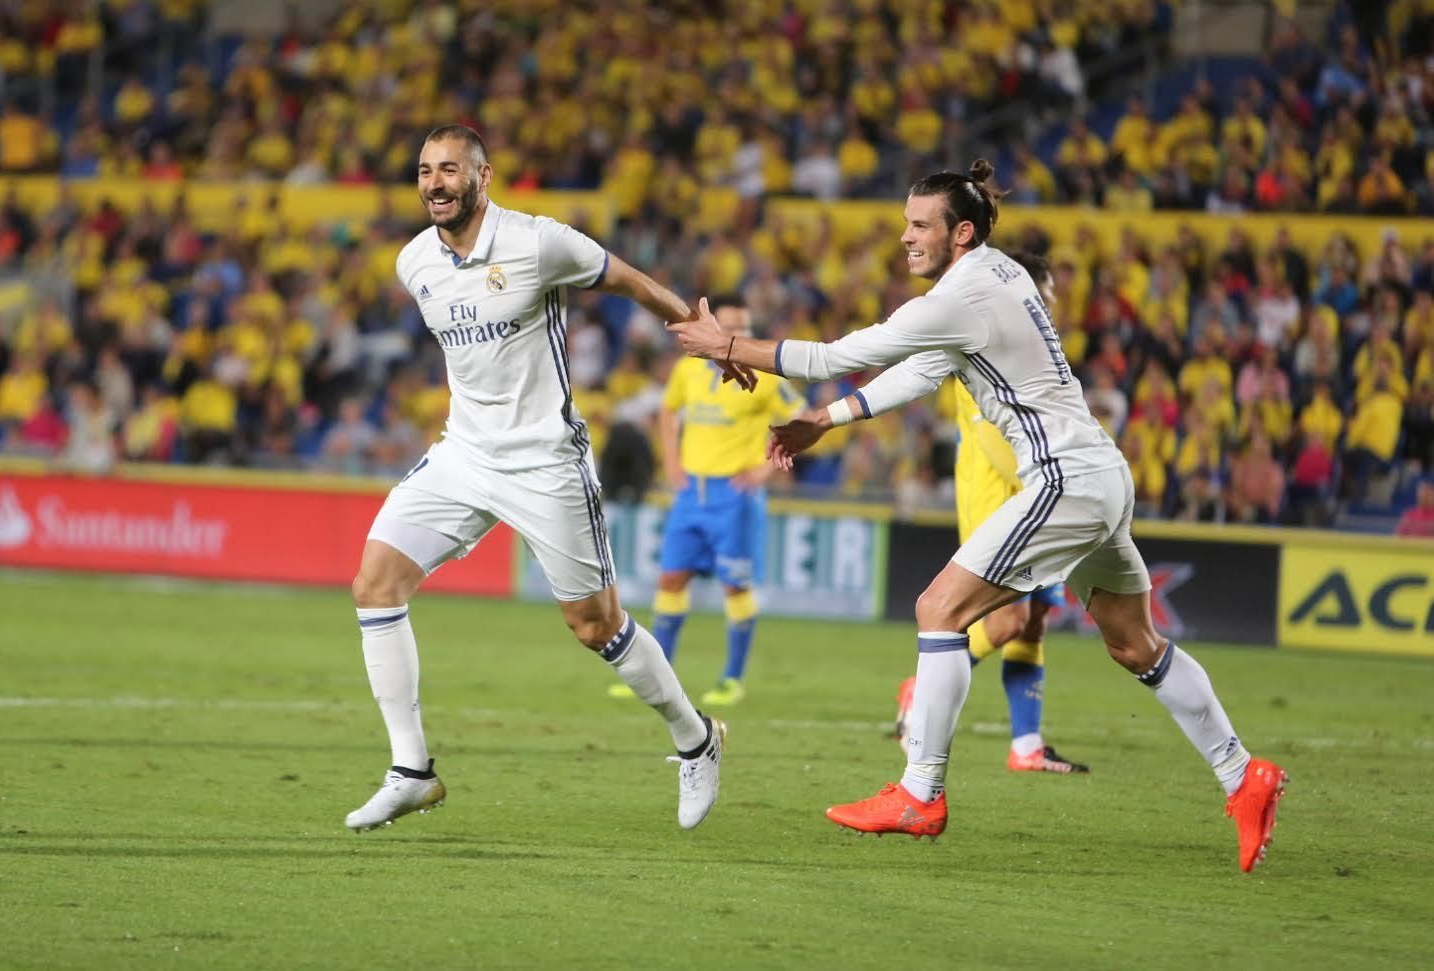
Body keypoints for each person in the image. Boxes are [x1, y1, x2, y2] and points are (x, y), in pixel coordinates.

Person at [670, 159, 1288, 872]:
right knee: (1133, 642)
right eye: (905, 222)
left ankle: (919, 791)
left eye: (918, 225)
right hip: (1099, 472)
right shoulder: (1000, 275)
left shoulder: (956, 295)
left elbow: (837, 353)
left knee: (938, 608)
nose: (903, 237)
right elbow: (923, 370)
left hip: (1062, 478)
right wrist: (826, 421)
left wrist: (724, 345)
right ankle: (1243, 776)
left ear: (960, 232)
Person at [345, 125, 752, 834]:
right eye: (423, 171)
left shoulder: (538, 242)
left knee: (596, 625)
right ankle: (411, 770)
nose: (434, 183)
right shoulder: (415, 262)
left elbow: (627, 280)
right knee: (374, 585)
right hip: (463, 455)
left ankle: (696, 738)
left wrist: (702, 334)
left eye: (449, 170)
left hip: (545, 461)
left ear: (483, 176)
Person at [894, 252, 1088, 775]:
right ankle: (921, 687)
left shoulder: (1033, 349)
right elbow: (996, 437)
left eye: (1047, 296)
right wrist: (1056, 481)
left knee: (1035, 622)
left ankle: (1026, 743)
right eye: (1041, 293)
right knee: (1006, 621)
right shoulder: (987, 346)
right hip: (998, 499)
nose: (1047, 303)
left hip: (1035, 494)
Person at [608, 295, 802, 707]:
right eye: (732, 325)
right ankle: (655, 678)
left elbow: (802, 422)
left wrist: (765, 470)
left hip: (735, 495)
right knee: (670, 581)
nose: (740, 334)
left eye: (746, 327)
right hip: (690, 493)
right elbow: (668, 411)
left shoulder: (767, 375)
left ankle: (732, 678)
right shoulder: (688, 369)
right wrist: (672, 461)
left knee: (736, 587)